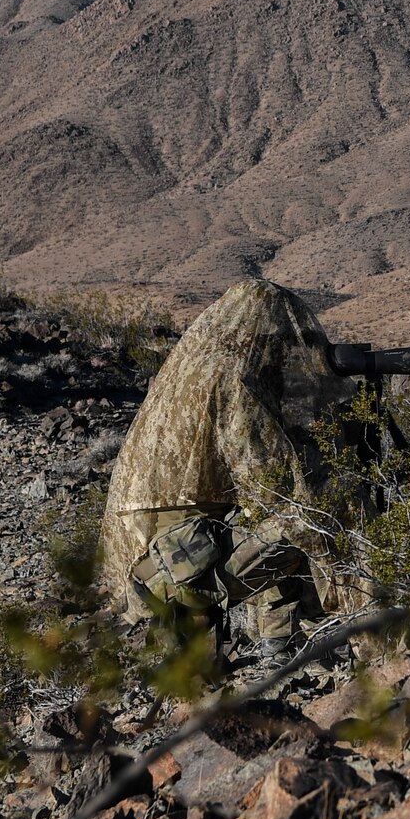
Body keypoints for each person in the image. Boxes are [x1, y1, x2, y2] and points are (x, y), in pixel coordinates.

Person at [99, 278, 356, 663]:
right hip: (177, 556)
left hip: (154, 548)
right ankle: (291, 646)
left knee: (271, 519)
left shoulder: (197, 365)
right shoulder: (236, 381)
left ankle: (265, 648)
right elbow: (273, 482)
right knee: (303, 518)